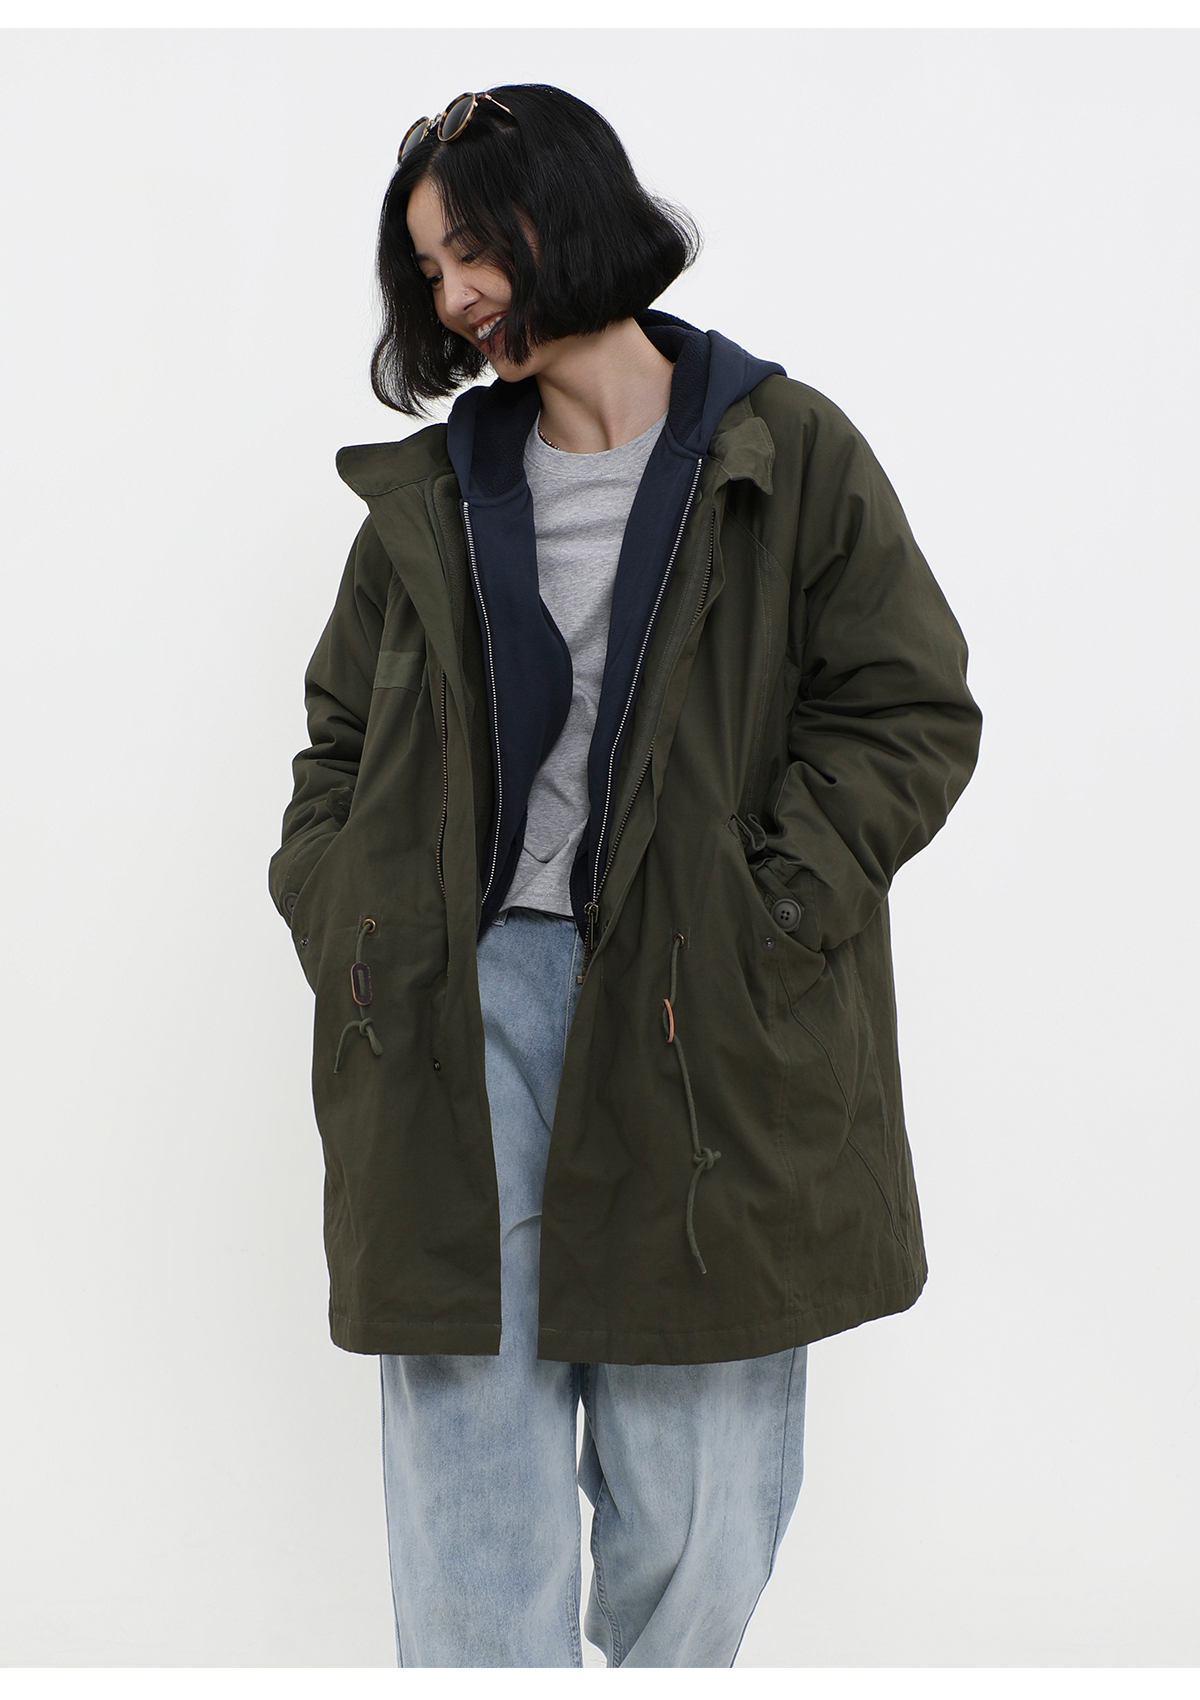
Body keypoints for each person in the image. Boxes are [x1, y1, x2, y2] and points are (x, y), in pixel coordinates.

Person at [268, 83, 982, 1669]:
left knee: (703, 1497)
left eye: (474, 248)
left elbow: (907, 707)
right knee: (473, 1472)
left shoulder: (787, 451)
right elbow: (336, 748)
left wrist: (772, 912)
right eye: (430, 271)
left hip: (698, 1005)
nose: (458, 294)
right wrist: (350, 915)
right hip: (464, 1012)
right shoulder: (433, 496)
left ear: (570, 211)